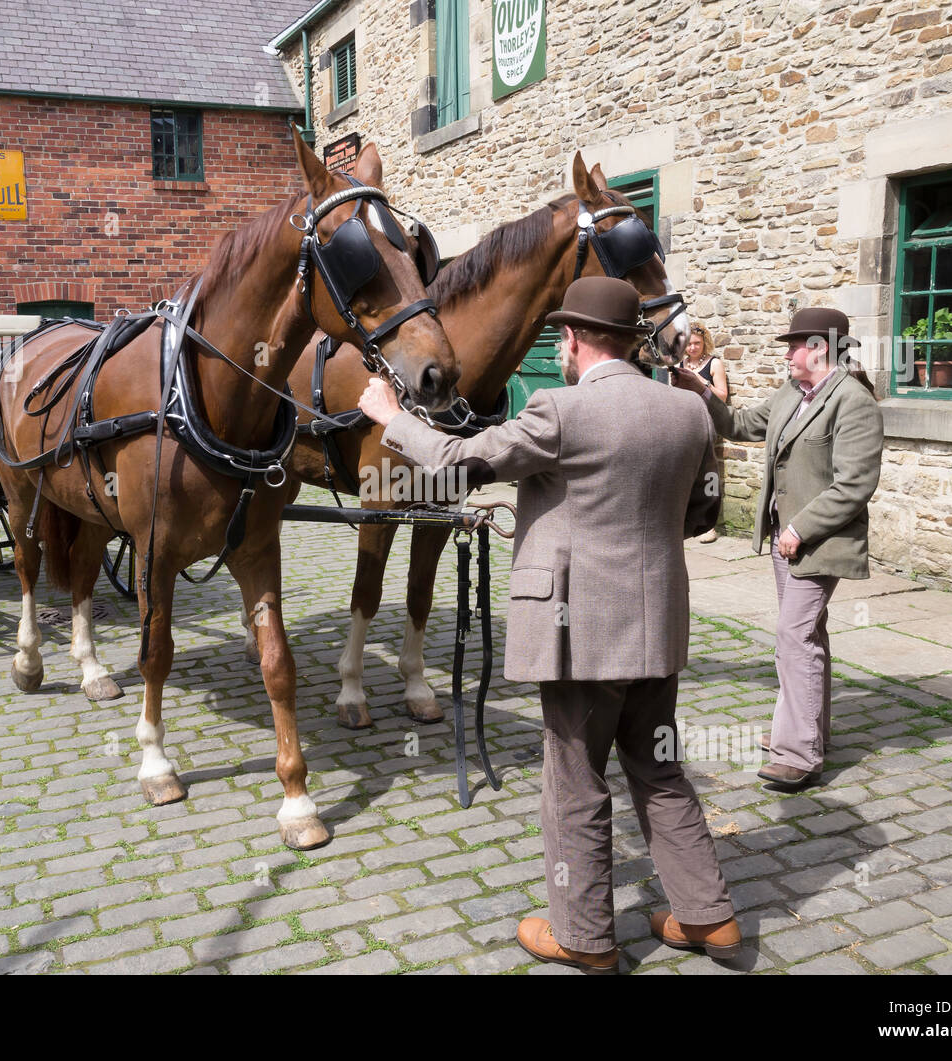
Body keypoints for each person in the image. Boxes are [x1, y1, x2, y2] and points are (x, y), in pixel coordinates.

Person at [359, 276, 740, 973]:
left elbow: (453, 461)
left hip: (581, 635)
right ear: (631, 340)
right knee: (657, 768)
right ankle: (708, 914)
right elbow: (705, 514)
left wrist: (392, 413)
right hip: (658, 629)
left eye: (560, 339)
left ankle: (586, 936)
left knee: (574, 781)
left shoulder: (558, 410)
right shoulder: (689, 412)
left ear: (570, 340)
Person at [672, 307, 884, 791]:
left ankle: (800, 754)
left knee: (794, 638)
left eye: (794, 345)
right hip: (785, 540)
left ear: (821, 348)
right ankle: (811, 731)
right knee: (810, 634)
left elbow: (854, 485)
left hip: (818, 542)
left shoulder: (853, 402)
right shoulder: (794, 393)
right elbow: (741, 424)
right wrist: (701, 390)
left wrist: (800, 528)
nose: (786, 353)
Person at [683, 323, 727, 542]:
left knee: (707, 472)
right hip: (682, 423)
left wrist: (702, 383)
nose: (692, 348)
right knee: (684, 471)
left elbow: (723, 397)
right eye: (689, 343)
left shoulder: (713, 363)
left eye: (697, 343)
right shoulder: (679, 363)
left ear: (704, 343)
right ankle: (686, 519)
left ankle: (709, 524)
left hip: (706, 421)